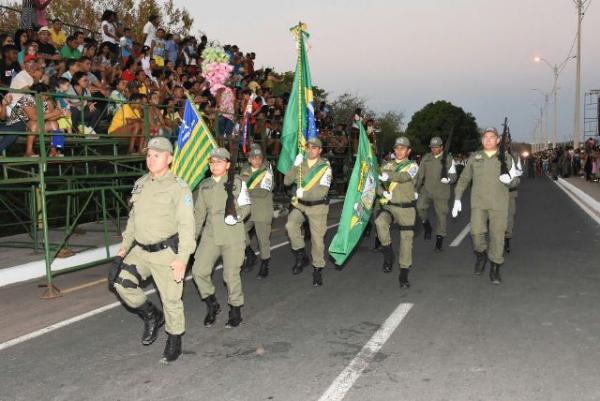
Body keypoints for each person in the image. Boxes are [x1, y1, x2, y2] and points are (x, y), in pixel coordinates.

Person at [112, 136, 195, 363]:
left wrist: (182, 259)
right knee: (121, 283)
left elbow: (188, 226)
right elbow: (132, 221)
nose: (151, 159)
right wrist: (123, 249)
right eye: (149, 154)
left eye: (156, 155)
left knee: (171, 300)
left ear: (169, 159)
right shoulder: (140, 183)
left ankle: (174, 338)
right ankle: (152, 315)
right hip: (140, 250)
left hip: (166, 253)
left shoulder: (178, 187)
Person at [192, 147, 251, 328]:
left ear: (227, 165)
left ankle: (235, 310)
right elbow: (199, 214)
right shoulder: (205, 186)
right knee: (198, 271)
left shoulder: (238, 182)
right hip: (211, 235)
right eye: (212, 161)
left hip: (232, 235)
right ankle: (212, 303)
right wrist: (191, 239)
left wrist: (237, 216)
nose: (215, 164)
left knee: (230, 275)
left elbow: (246, 206)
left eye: (219, 161)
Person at [452, 127, 520, 284]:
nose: (488, 140)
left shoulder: (506, 158)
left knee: (497, 237)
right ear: (482, 140)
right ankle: (481, 255)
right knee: (476, 234)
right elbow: (463, 179)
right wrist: (457, 199)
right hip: (479, 204)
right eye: (485, 137)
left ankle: (495, 268)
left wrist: (509, 181)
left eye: (492, 137)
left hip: (499, 205)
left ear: (497, 140)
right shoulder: (474, 158)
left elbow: (516, 180)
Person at [284, 137, 332, 286]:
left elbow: (322, 191)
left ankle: (317, 268)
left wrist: (302, 192)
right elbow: (286, 181)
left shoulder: (325, 167)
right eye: (308, 147)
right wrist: (294, 165)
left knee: (317, 241)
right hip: (300, 205)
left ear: (320, 150)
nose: (310, 150)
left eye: (314, 148)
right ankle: (301, 255)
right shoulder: (301, 164)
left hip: (317, 207)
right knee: (290, 226)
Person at [375, 136, 419, 288]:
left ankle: (404, 272)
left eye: (402, 148)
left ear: (408, 150)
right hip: (391, 206)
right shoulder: (387, 165)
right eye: (397, 148)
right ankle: (388, 253)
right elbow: (377, 183)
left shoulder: (412, 166)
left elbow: (404, 177)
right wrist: (382, 193)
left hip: (407, 209)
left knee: (406, 241)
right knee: (380, 222)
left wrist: (388, 175)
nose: (399, 151)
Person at [415, 136, 457, 252]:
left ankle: (439, 241)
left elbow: (453, 175)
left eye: (436, 147)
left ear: (441, 147)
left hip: (441, 192)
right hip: (427, 190)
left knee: (441, 217)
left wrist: (449, 179)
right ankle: (426, 225)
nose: (434, 149)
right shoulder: (426, 158)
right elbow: (420, 175)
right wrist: (416, 190)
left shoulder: (448, 159)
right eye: (432, 147)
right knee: (420, 207)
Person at [240, 145, 274, 278]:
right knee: (239, 233)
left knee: (263, 240)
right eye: (254, 158)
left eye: (259, 158)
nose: (257, 160)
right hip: (247, 210)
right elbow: (238, 187)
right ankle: (250, 254)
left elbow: (262, 191)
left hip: (262, 210)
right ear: (249, 159)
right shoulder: (244, 171)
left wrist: (245, 190)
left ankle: (264, 264)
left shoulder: (267, 172)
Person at [504, 153, 523, 253]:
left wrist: (511, 178)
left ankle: (507, 239)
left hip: (509, 192)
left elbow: (519, 171)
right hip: (494, 193)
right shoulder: (492, 155)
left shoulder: (514, 156)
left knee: (509, 217)